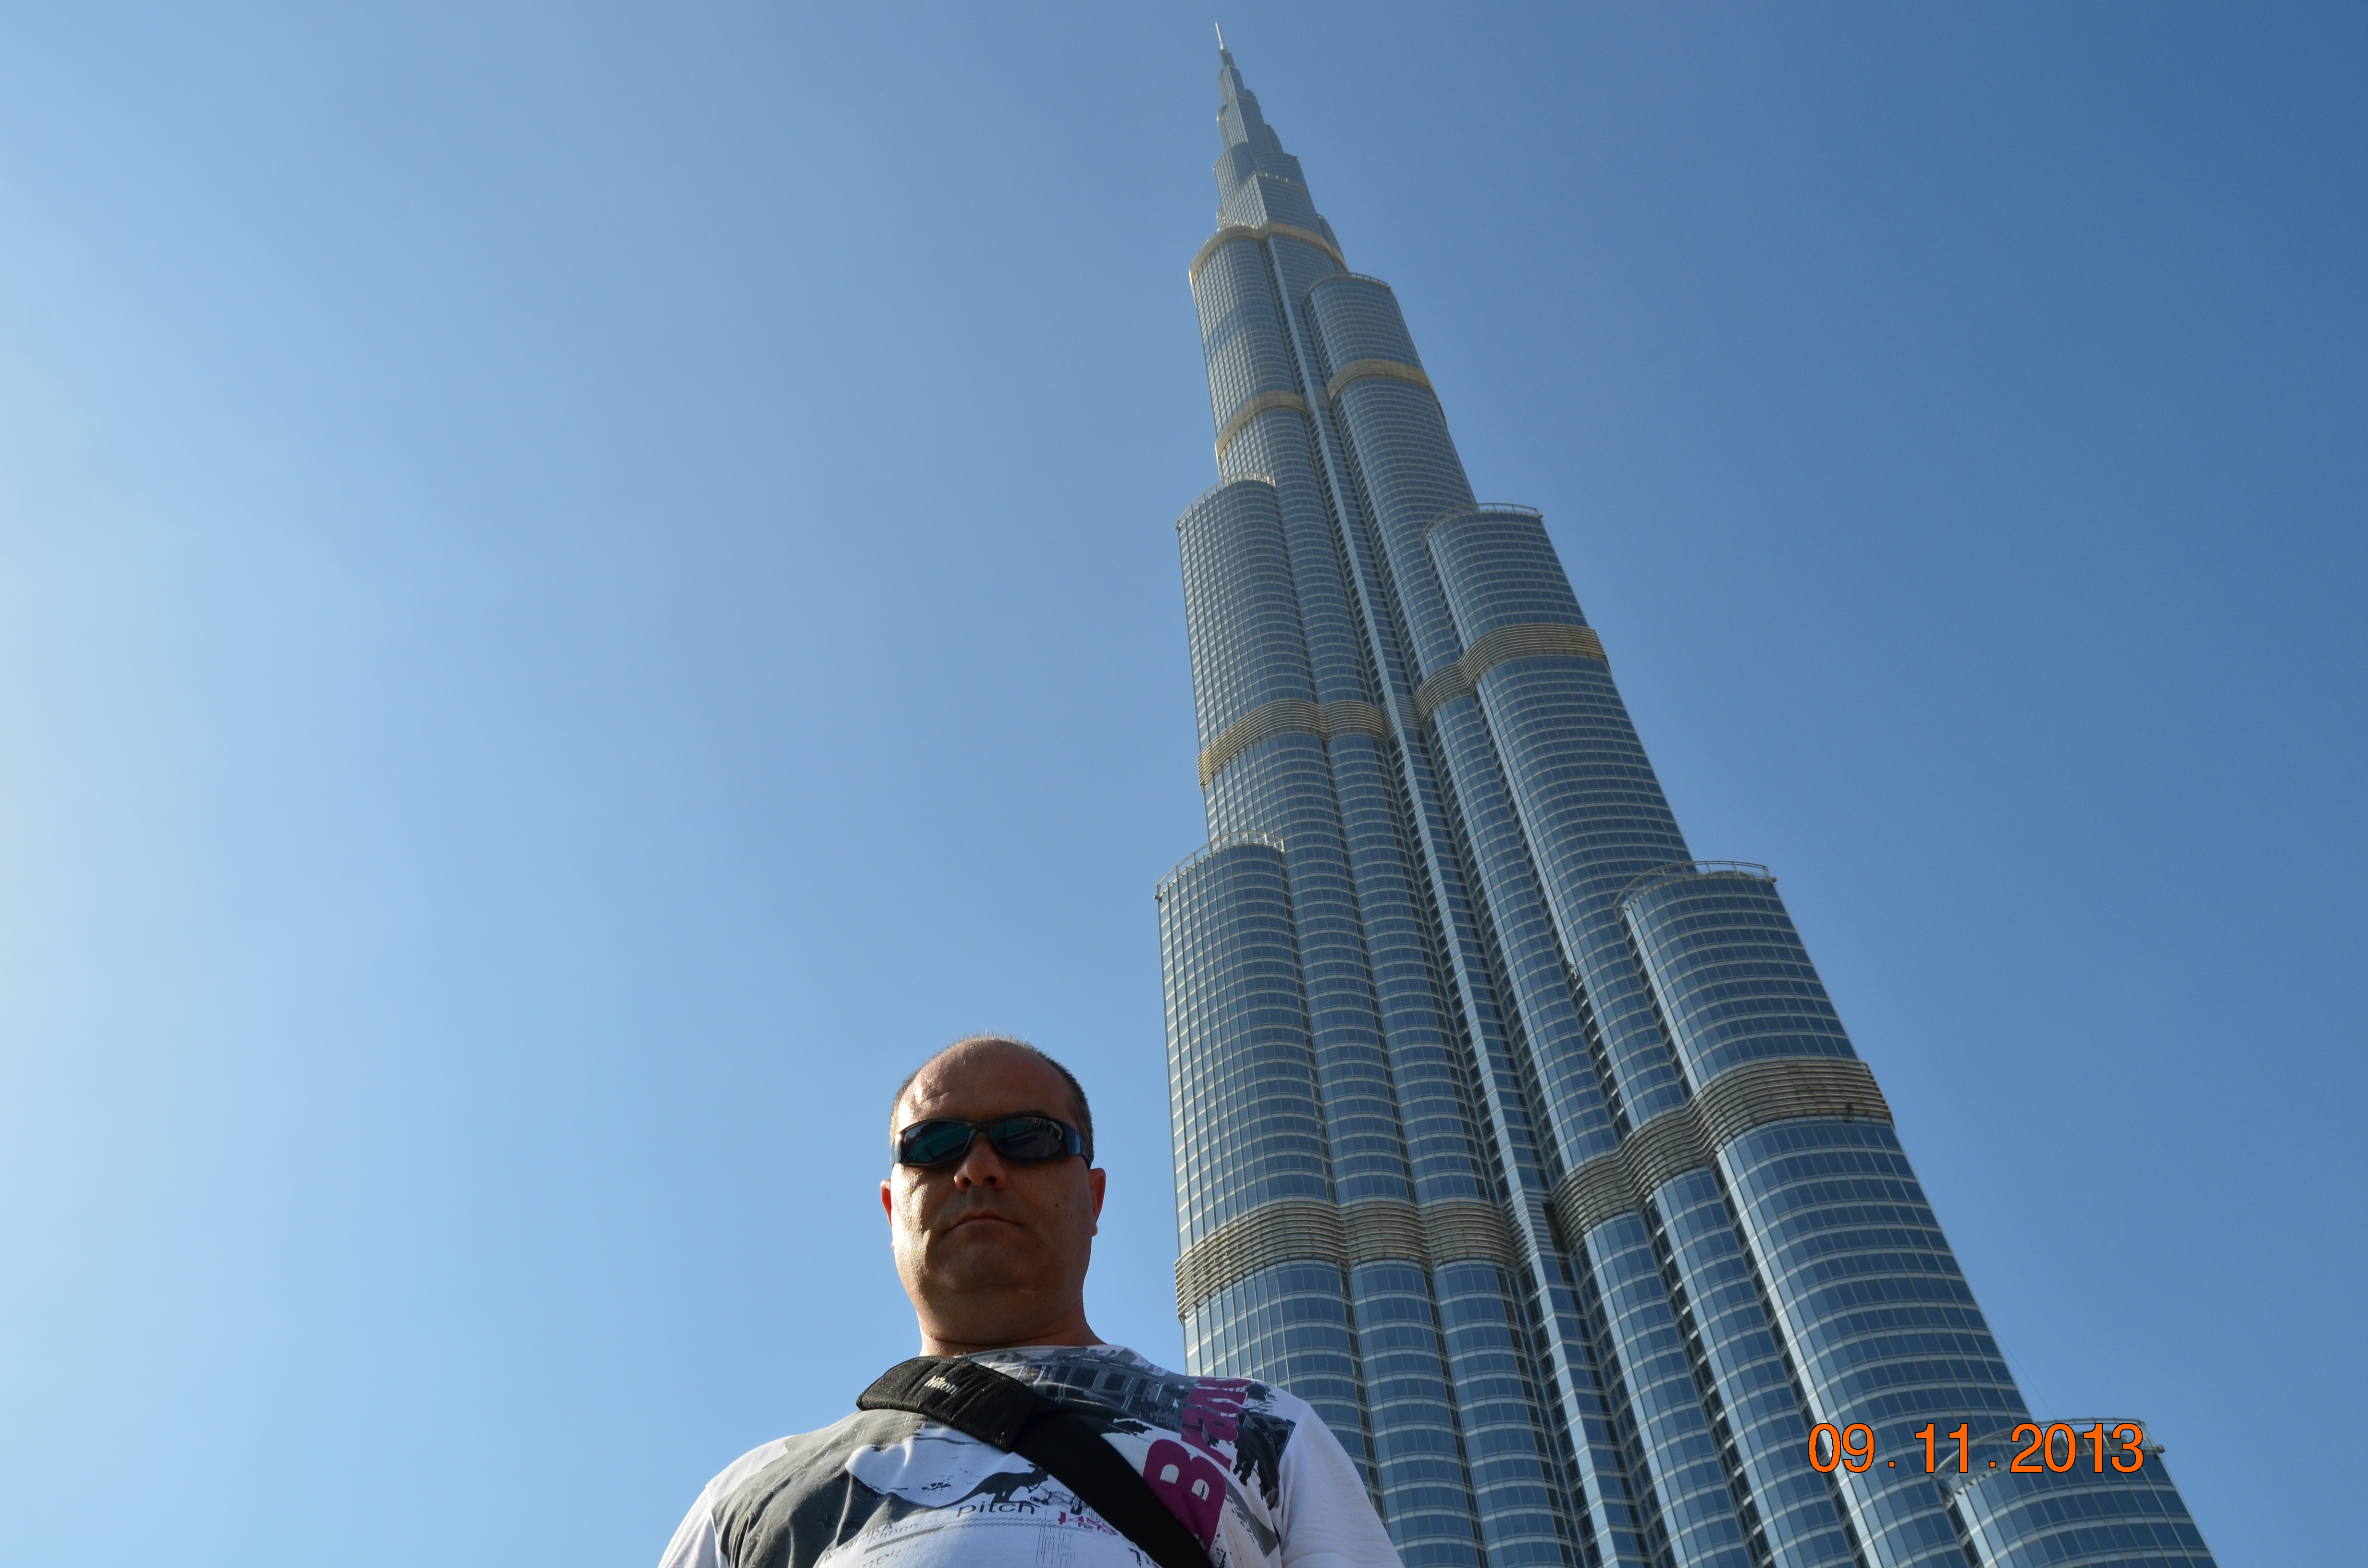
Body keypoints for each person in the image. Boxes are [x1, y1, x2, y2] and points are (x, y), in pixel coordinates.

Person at [658, 1034, 1405, 1568]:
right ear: (893, 1209)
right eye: (934, 1145)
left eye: (1030, 1138)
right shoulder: (749, 1495)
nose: (979, 1168)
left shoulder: (1263, 1430)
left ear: (1093, 1197)